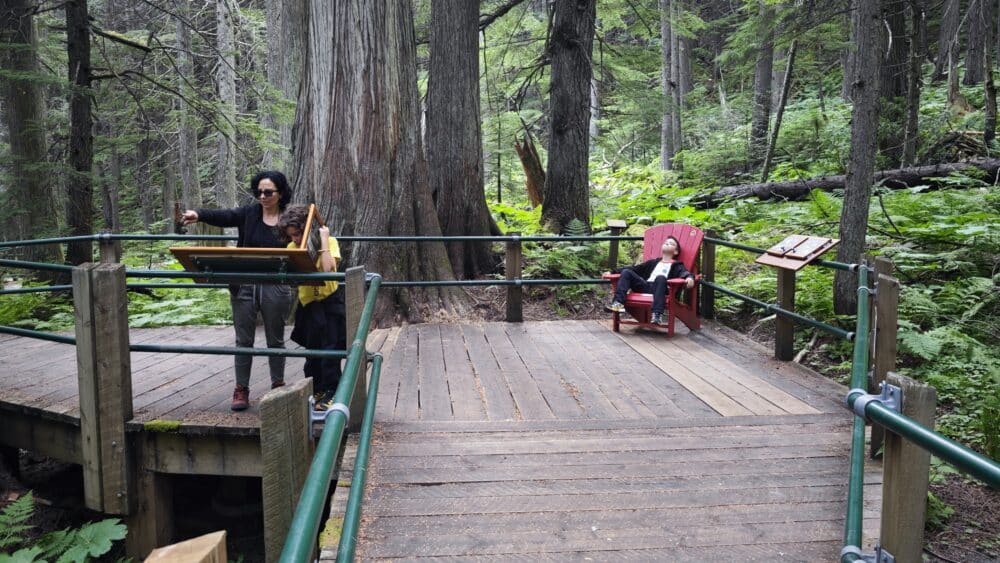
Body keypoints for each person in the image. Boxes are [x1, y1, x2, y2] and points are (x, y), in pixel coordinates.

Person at [180, 171, 295, 411]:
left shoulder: (288, 218)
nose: (262, 196)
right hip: (244, 283)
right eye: (259, 192)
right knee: (244, 339)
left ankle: (278, 386)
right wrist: (198, 214)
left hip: (276, 284)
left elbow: (304, 240)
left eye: (268, 192)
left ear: (280, 193)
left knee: (276, 338)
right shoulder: (249, 213)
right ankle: (241, 389)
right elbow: (225, 216)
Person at [277, 204, 346, 412]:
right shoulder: (292, 248)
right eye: (291, 236)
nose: (295, 239)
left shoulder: (329, 242)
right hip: (308, 306)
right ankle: (316, 388)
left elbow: (327, 269)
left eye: (298, 234)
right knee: (312, 351)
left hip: (329, 304)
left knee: (330, 351)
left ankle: (332, 391)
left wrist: (324, 240)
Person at [604, 236, 695, 325]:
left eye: (671, 243)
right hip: (646, 286)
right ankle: (618, 303)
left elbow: (684, 272)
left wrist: (689, 278)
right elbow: (635, 269)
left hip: (663, 289)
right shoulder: (653, 263)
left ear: (676, 251)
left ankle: (657, 314)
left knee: (660, 277)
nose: (667, 243)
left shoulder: (677, 265)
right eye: (666, 242)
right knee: (627, 272)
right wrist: (612, 272)